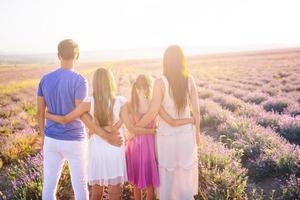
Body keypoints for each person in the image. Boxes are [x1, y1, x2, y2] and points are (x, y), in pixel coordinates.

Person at [37, 39, 121, 200]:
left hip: (51, 138)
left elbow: (40, 112)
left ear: (59, 55)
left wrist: (43, 135)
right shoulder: (79, 80)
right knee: (80, 187)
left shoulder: (45, 79)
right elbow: (82, 114)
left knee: (48, 188)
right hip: (75, 140)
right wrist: (105, 134)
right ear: (77, 56)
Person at [46, 68, 147, 200]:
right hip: (116, 147)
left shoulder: (89, 101)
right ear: (111, 82)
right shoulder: (121, 101)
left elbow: (65, 119)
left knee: (97, 192)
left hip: (97, 148)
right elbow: (137, 114)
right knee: (115, 192)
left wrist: (46, 114)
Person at [135, 46, 200, 200]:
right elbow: (197, 112)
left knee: (167, 177)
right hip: (186, 135)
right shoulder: (189, 80)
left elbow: (152, 112)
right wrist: (197, 133)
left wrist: (136, 128)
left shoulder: (160, 82)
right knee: (184, 176)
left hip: (167, 137)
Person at [121, 74, 194, 200]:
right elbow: (171, 121)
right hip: (149, 148)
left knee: (136, 185)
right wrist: (191, 120)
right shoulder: (153, 106)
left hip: (133, 148)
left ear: (135, 88)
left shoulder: (127, 106)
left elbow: (129, 130)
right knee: (150, 185)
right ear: (149, 88)